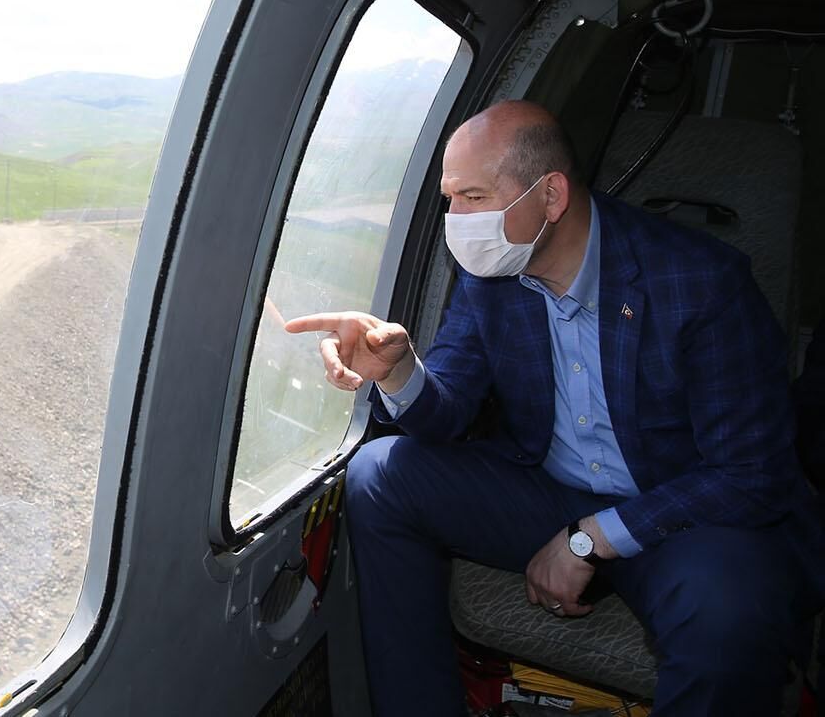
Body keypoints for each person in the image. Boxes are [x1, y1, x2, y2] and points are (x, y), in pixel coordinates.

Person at [285, 100, 823, 716]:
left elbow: (751, 474)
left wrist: (589, 540)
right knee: (379, 474)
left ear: (551, 196)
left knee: (728, 616)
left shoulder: (700, 282)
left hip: (680, 513)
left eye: (474, 197)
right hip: (548, 490)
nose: (456, 221)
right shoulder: (491, 277)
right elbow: (449, 412)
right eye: (450, 199)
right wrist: (399, 370)